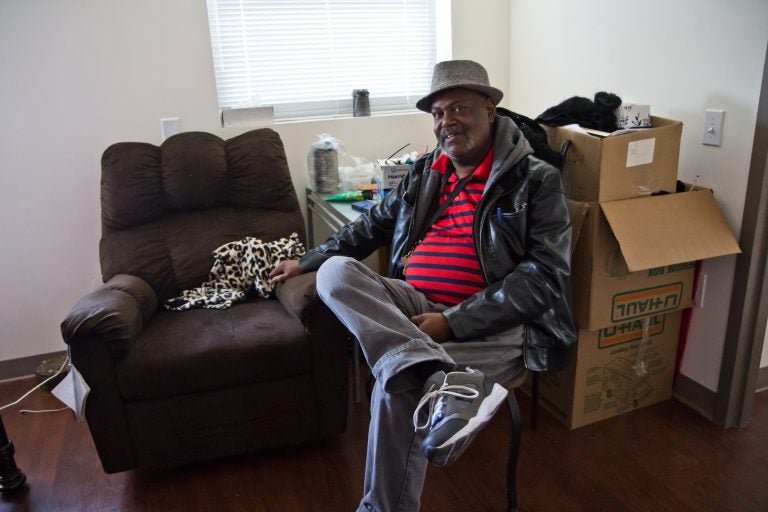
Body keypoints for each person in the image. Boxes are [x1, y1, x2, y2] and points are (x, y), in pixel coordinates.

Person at [270, 59, 576, 512]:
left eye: (459, 109)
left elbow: (545, 278)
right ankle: (438, 374)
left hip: (494, 324)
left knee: (396, 385)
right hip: (417, 306)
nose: (446, 122)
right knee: (334, 272)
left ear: (490, 110)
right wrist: (308, 260)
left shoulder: (536, 181)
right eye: (437, 114)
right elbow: (372, 224)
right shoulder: (426, 172)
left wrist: (451, 323)